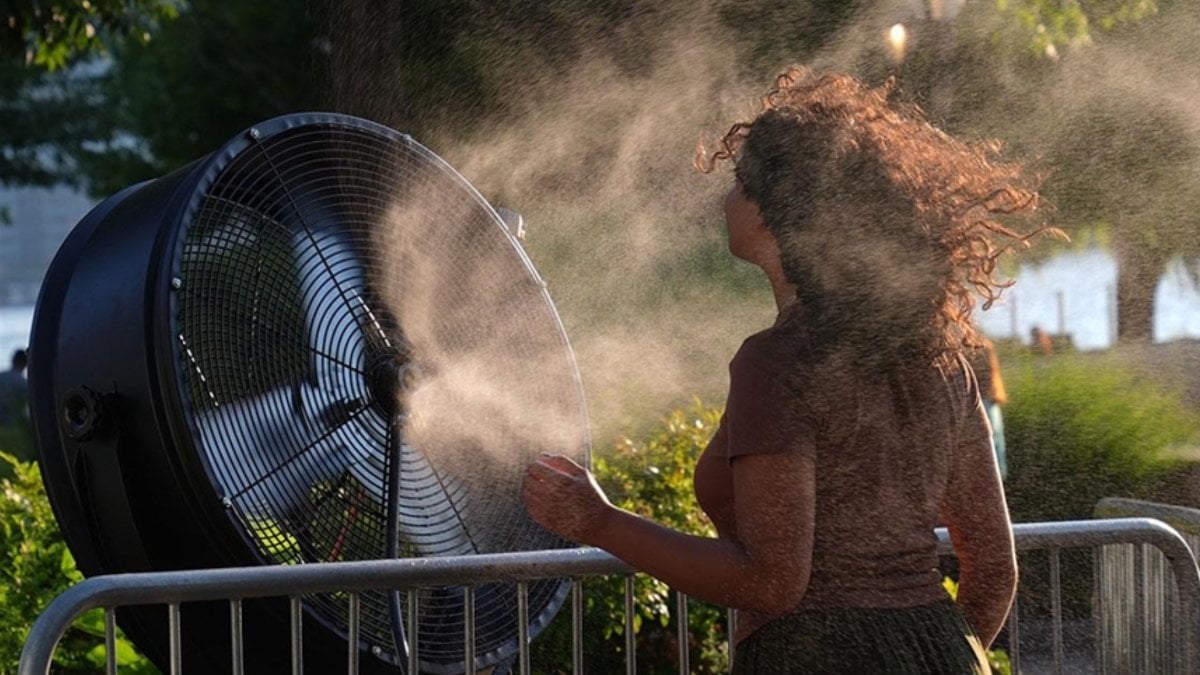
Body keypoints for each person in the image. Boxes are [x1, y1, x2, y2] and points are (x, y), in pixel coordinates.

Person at [523, 68, 1054, 673]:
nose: (726, 198)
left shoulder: (776, 363)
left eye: (740, 183)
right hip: (943, 652)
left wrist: (600, 521)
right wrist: (940, 657)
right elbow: (993, 569)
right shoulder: (942, 362)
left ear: (779, 211)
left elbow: (773, 583)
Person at [968, 340, 1009, 480]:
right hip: (989, 399)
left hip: (984, 400)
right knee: (995, 444)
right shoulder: (984, 347)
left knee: (990, 443)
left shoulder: (980, 347)